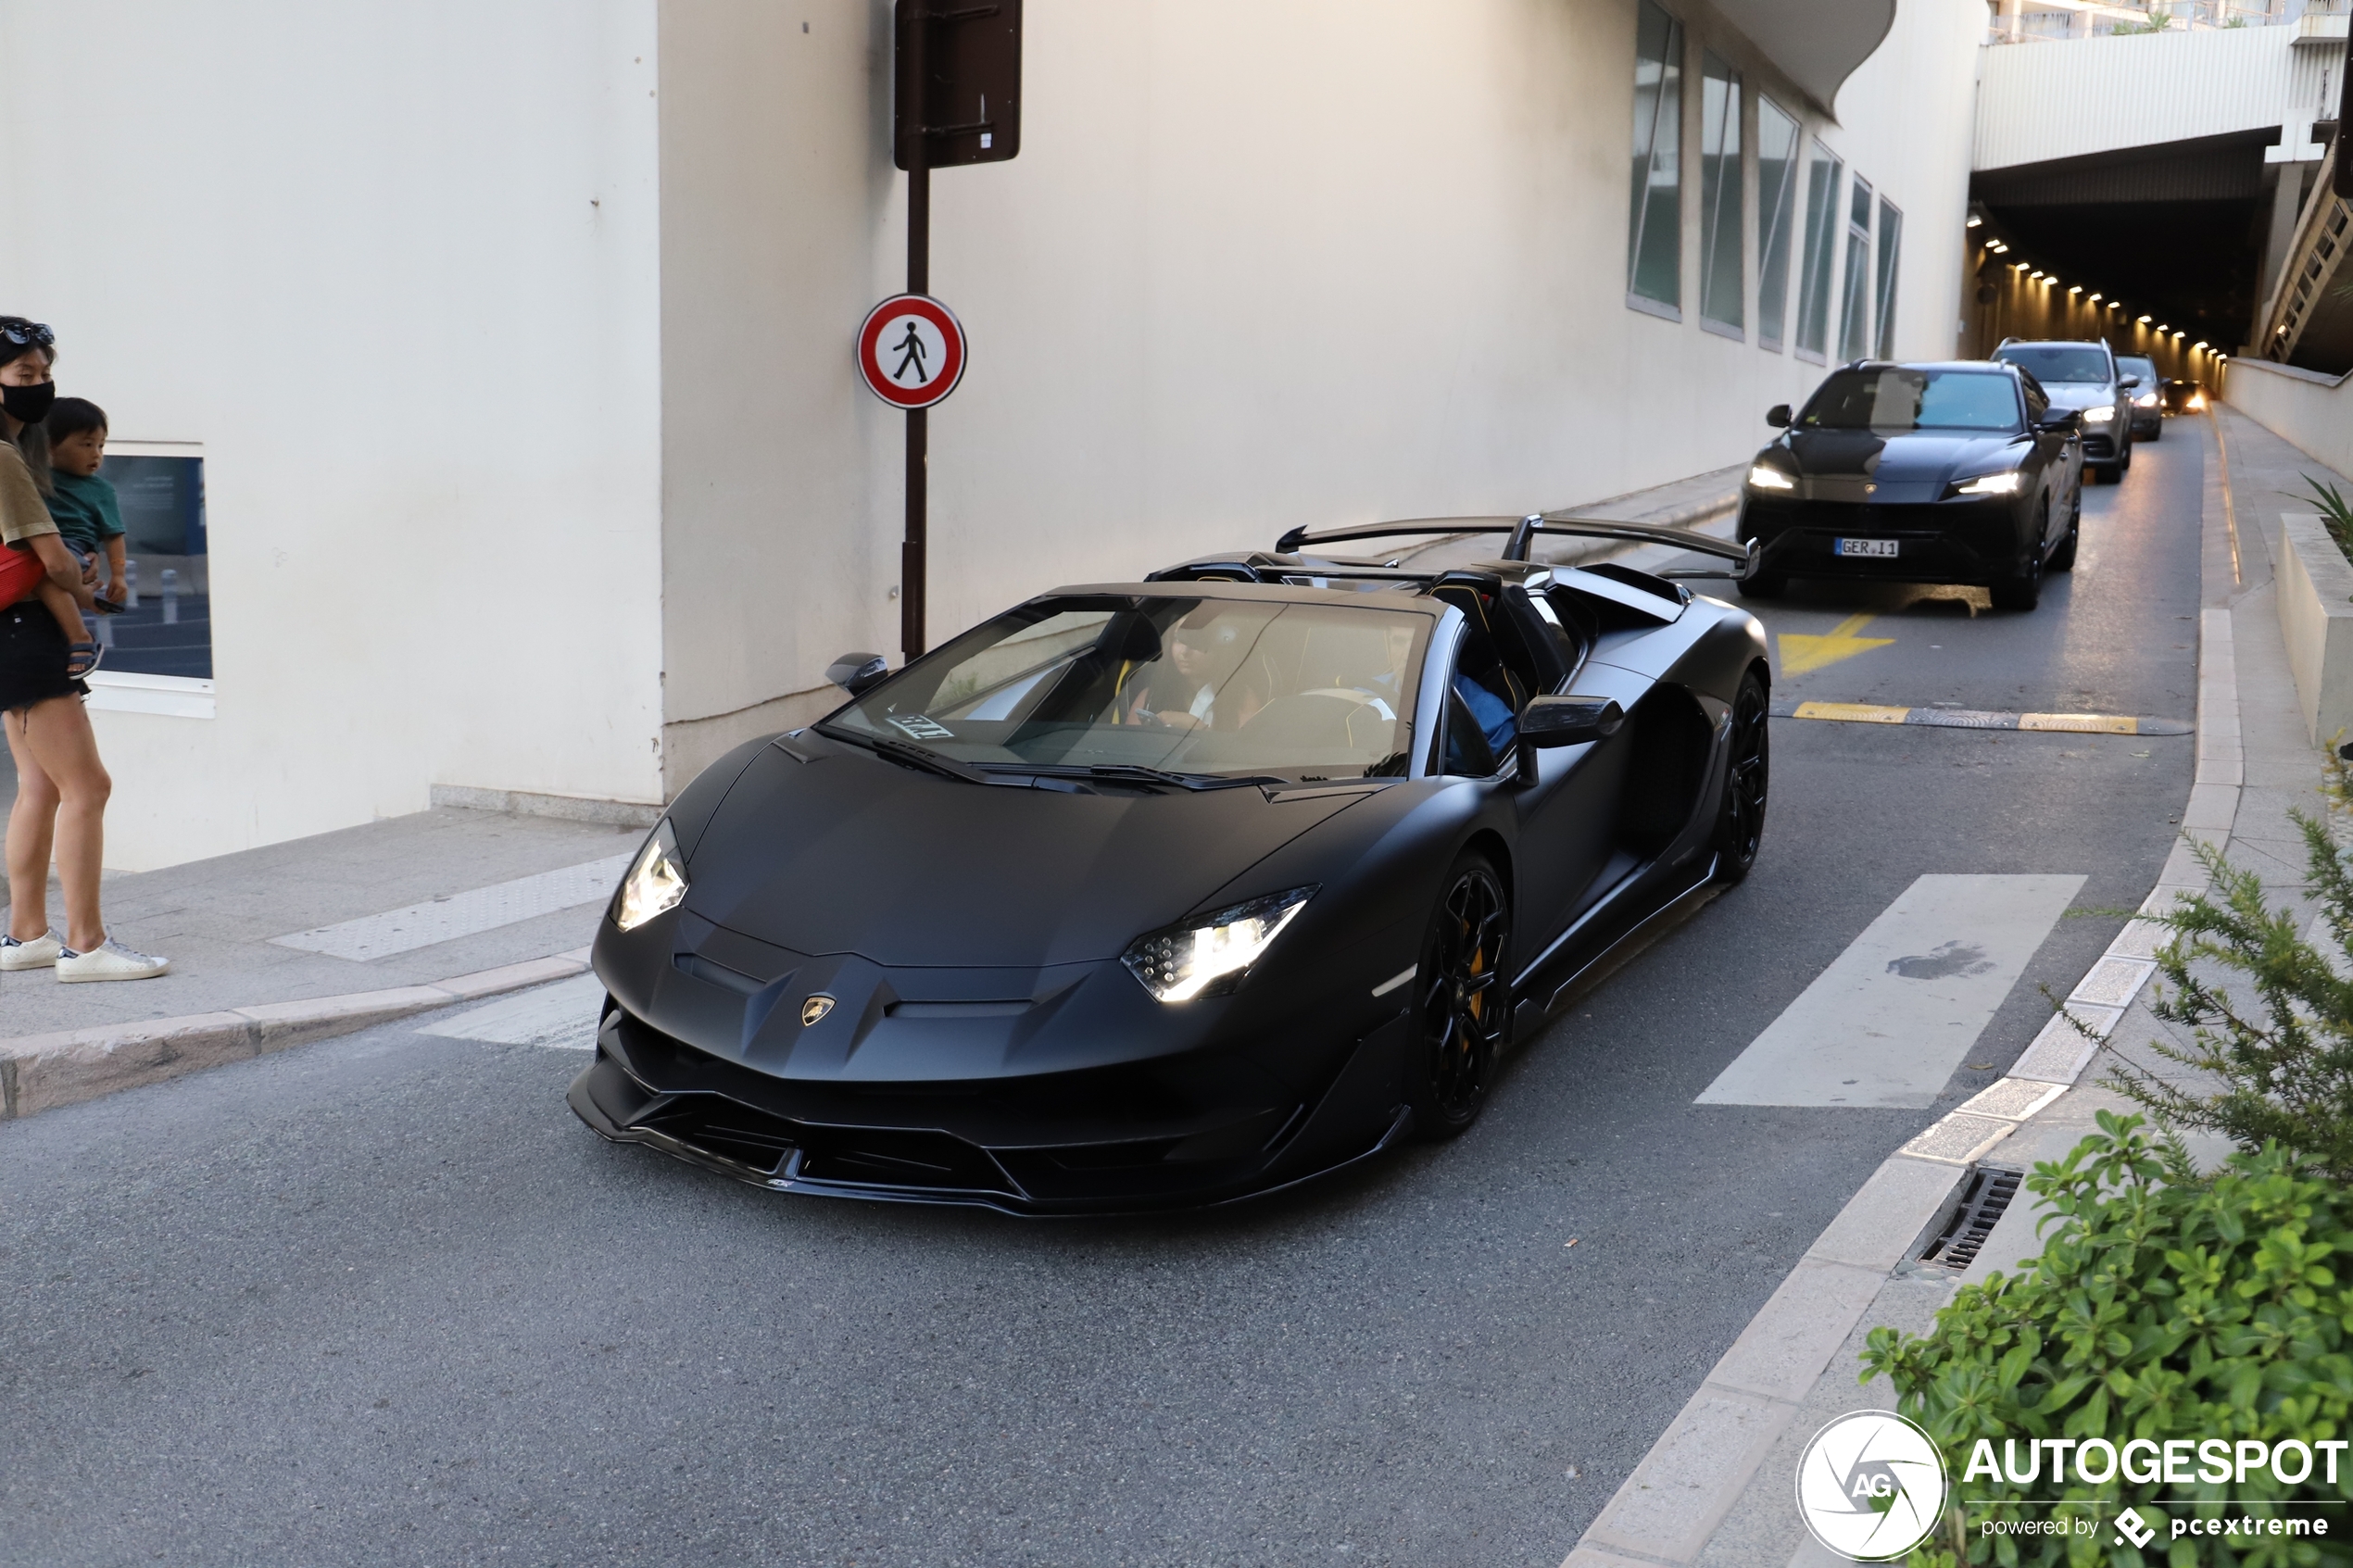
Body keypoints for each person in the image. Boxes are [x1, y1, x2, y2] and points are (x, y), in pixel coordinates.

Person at [0, 317, 168, 981]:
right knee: (87, 785)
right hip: (26, 636)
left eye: (43, 374)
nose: (37, 386)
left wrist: (72, 576)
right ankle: (87, 945)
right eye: (23, 376)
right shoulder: (6, 456)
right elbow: (50, 559)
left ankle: (26, 935)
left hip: (7, 630)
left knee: (38, 784)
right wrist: (81, 575)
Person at [42, 397, 129, 614]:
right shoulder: (35, 475)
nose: (96, 454)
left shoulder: (101, 490)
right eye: (87, 444)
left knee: (50, 577)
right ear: (51, 445)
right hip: (40, 544)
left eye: (100, 445)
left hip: (74, 546)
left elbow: (113, 535)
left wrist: (118, 575)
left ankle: (79, 636)